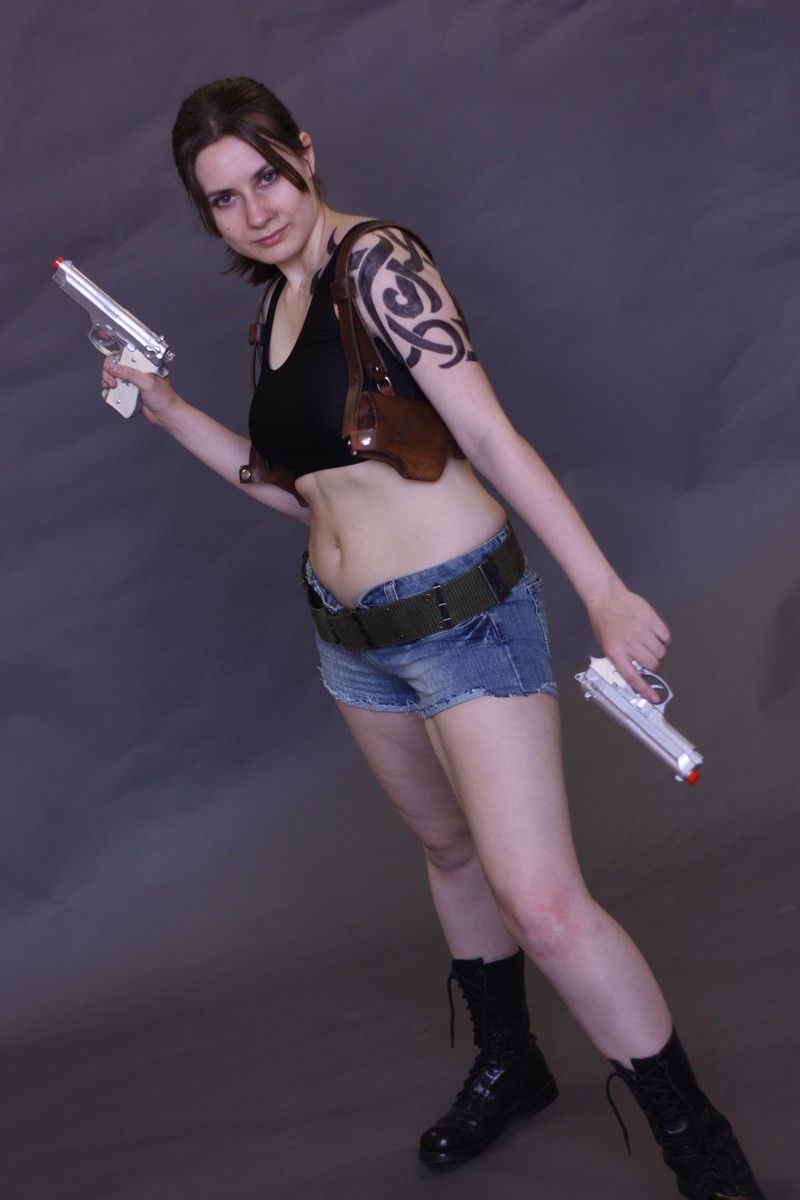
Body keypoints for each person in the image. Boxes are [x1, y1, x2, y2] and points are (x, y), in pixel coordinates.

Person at [102, 77, 764, 1199]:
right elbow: (302, 493)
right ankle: (512, 1064)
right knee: (449, 852)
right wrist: (167, 412)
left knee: (543, 905)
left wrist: (603, 591)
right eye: (224, 199)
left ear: (305, 152)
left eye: (267, 176)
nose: (256, 211)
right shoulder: (277, 304)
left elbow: (489, 438)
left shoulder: (377, 263)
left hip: (464, 620)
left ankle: (703, 1153)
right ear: (205, 214)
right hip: (352, 642)